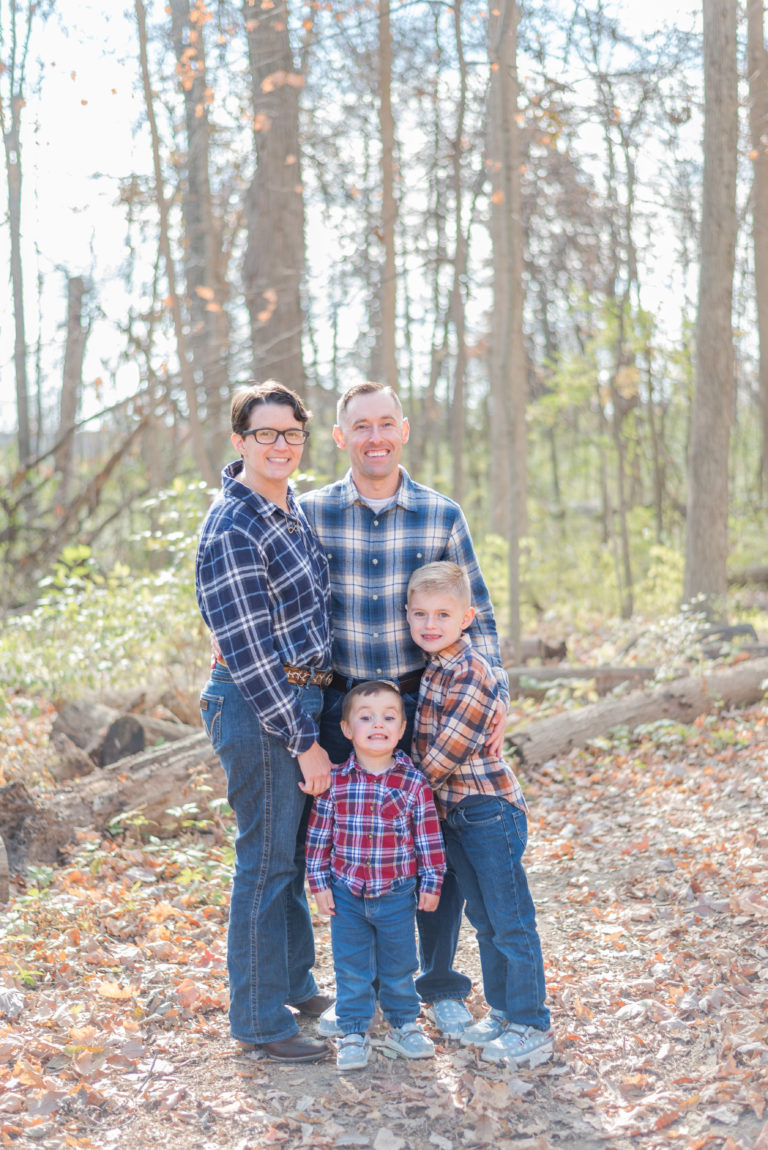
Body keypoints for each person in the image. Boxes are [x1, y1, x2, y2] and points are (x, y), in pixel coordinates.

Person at [299, 381, 509, 1040]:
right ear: (341, 437)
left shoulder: (440, 515)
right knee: (344, 844)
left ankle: (438, 984)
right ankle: (354, 992)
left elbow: (480, 612)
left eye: (386, 423)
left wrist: (497, 690)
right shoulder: (310, 512)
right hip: (336, 699)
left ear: (405, 430)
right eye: (360, 426)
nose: (375, 437)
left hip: (423, 699)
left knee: (429, 844)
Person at [196, 381, 335, 1063]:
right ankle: (257, 1016)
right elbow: (250, 653)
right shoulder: (235, 525)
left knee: (290, 854)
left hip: (297, 697)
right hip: (261, 707)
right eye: (264, 435)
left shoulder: (291, 511)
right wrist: (304, 740)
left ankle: (295, 983)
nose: (279, 446)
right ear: (239, 441)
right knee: (266, 862)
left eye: (291, 434)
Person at [407, 561, 553, 1066]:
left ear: (467, 617)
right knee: (484, 920)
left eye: (442, 614)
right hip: (457, 816)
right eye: (420, 614)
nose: (430, 624)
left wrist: (394, 791)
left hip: (488, 812)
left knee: (511, 921)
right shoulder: (435, 666)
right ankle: (503, 1011)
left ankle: (532, 1022)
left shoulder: (471, 673)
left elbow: (443, 756)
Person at [305, 680, 446, 1071]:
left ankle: (404, 1024)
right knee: (351, 966)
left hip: (397, 893)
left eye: (388, 717)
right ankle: (353, 1029)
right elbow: (319, 838)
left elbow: (428, 838)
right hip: (346, 894)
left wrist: (432, 882)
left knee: (400, 964)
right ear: (348, 729)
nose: (377, 725)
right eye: (365, 718)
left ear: (402, 729)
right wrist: (318, 884)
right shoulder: (335, 782)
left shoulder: (413, 783)